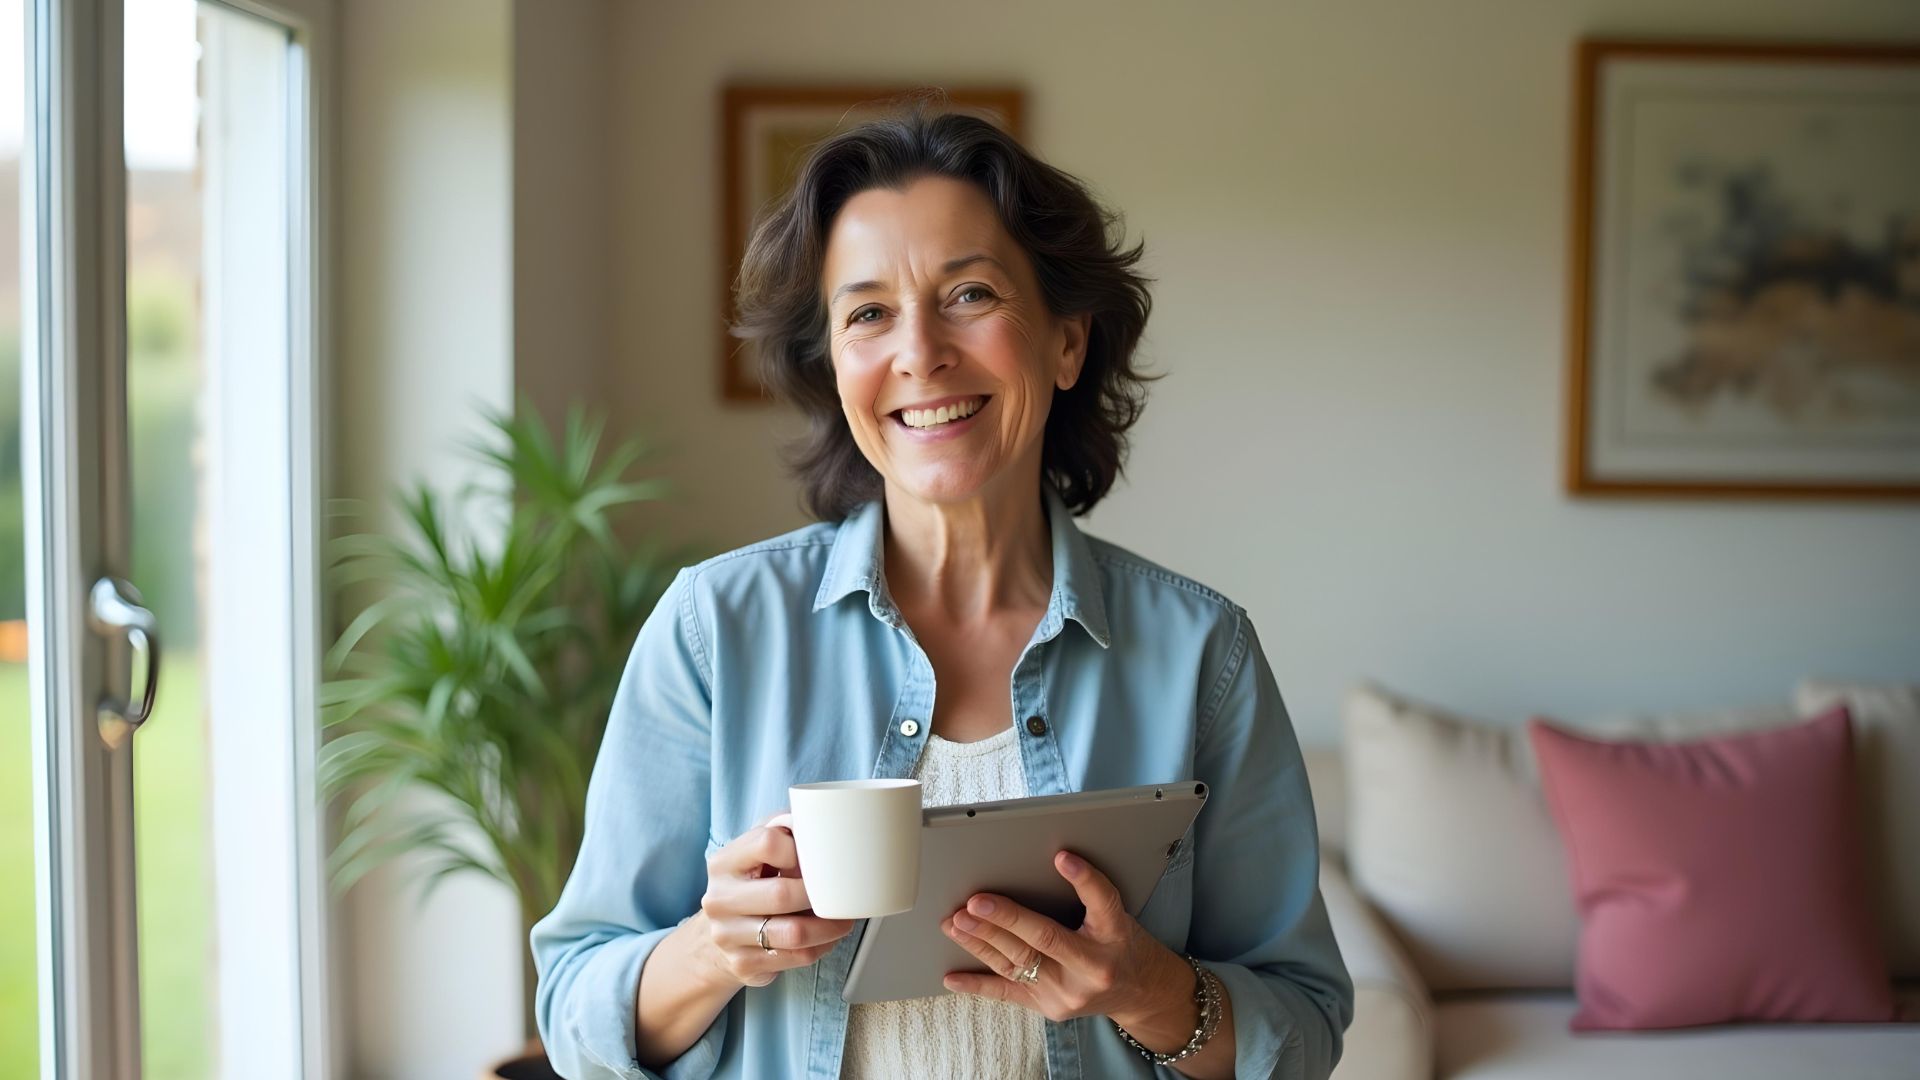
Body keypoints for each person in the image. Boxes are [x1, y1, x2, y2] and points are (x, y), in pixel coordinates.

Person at [531, 102, 1352, 1080]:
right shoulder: (715, 630)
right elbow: (574, 1010)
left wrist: (1149, 990)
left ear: (1066, 342)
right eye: (868, 312)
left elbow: (1304, 1027)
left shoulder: (1201, 654)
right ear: (835, 365)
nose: (919, 352)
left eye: (969, 294)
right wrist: (715, 949)